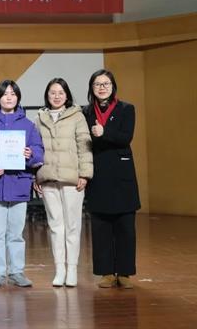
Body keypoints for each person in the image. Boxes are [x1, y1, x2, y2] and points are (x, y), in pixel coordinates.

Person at [0, 79, 44, 288]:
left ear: (18, 97)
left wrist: (31, 154)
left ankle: (17, 272)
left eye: (13, 93)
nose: (9, 97)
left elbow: (38, 149)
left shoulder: (28, 125)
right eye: (5, 94)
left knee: (16, 234)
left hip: (19, 184)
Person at [83, 69, 140, 289]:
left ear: (113, 86)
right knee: (101, 226)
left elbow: (126, 137)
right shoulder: (86, 112)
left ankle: (124, 273)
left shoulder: (127, 109)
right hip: (98, 173)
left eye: (106, 83)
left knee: (125, 226)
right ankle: (106, 272)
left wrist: (103, 132)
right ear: (92, 88)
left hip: (122, 173)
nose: (102, 87)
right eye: (97, 84)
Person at [33, 78, 93, 287]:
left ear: (67, 95)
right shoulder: (39, 118)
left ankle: (72, 269)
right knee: (55, 226)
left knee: (73, 226)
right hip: (48, 179)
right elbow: (35, 148)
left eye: (60, 92)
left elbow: (84, 146)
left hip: (72, 181)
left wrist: (85, 174)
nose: (56, 96)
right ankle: (60, 270)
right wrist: (35, 175)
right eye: (52, 93)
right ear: (47, 95)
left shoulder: (77, 116)